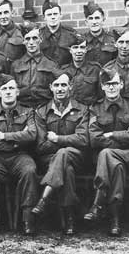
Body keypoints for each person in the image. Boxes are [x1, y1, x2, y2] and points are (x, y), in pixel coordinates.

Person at [85, 68, 129, 237]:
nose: (111, 87)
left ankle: (98, 203)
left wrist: (112, 134)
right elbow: (94, 138)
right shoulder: (95, 108)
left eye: (114, 84)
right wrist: (126, 135)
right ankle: (115, 220)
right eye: (107, 84)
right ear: (102, 87)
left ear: (121, 84)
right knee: (116, 166)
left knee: (106, 153)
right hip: (108, 159)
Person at [0, 74, 38, 237]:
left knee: (30, 170)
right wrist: (18, 139)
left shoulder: (28, 112)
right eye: (4, 89)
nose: (8, 92)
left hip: (21, 156)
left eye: (11, 88)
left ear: (18, 92)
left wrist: (4, 136)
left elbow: (32, 136)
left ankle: (28, 219)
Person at [31, 73, 89, 235]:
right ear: (51, 88)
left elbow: (83, 140)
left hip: (77, 157)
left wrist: (57, 139)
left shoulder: (82, 109)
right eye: (56, 85)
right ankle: (70, 219)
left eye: (64, 85)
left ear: (70, 87)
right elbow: (41, 146)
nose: (60, 89)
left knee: (64, 154)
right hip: (49, 160)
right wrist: (69, 141)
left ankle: (44, 198)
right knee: (66, 169)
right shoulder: (42, 111)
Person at [11, 26, 59, 107]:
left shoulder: (51, 64)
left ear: (40, 40)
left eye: (34, 38)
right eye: (27, 39)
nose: (31, 42)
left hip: (44, 106)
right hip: (22, 106)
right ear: (23, 42)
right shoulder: (16, 65)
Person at [60, 34, 102, 105]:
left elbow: (101, 95)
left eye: (82, 47)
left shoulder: (95, 69)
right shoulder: (64, 70)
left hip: (90, 110)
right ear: (70, 50)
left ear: (86, 50)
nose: (79, 51)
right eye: (75, 47)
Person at [39, 0, 78, 67]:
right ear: (44, 17)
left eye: (55, 14)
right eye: (49, 15)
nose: (53, 17)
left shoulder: (71, 34)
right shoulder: (38, 35)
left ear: (60, 15)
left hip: (66, 73)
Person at [82, 1, 116, 66]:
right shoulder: (81, 40)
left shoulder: (112, 39)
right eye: (91, 18)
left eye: (97, 18)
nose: (94, 22)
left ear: (103, 20)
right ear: (86, 22)